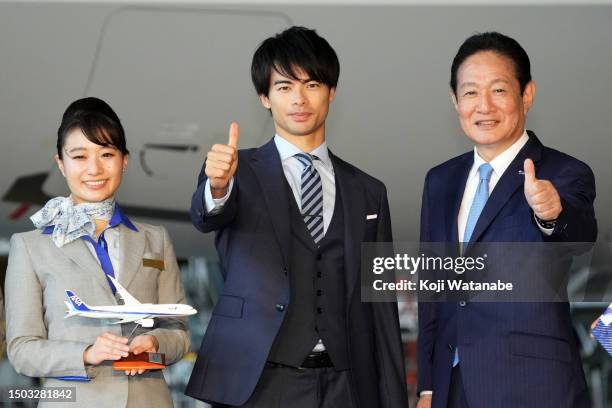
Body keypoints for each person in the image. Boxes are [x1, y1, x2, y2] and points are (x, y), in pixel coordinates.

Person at [185, 26, 408, 407]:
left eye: (312, 84)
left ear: (331, 92)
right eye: (285, 87)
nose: (299, 99)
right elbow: (207, 215)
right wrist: (218, 187)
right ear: (264, 97)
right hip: (259, 381)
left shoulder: (369, 191)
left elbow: (381, 308)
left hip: (347, 385)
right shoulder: (237, 171)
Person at [416, 32, 597, 408]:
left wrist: (551, 213)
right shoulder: (440, 180)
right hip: (454, 387)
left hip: (534, 387)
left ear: (526, 94)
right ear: (454, 100)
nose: (483, 106)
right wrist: (429, 386)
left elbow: (580, 236)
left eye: (498, 90)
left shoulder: (564, 172)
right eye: (469, 92)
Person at [5, 97, 189, 407]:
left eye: (107, 154)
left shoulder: (156, 239)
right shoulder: (30, 246)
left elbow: (179, 332)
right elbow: (22, 350)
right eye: (79, 156)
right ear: (61, 163)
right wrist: (86, 354)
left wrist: (156, 341)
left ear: (124, 160)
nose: (94, 168)